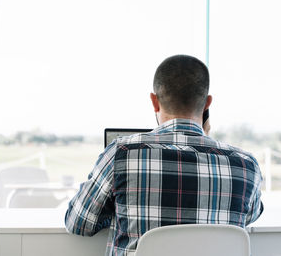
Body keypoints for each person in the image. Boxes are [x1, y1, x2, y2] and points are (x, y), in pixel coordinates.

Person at [65, 55, 263, 256]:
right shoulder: (245, 164)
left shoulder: (121, 153)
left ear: (154, 101)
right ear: (207, 104)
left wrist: (118, 209)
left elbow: (79, 223)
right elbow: (247, 216)